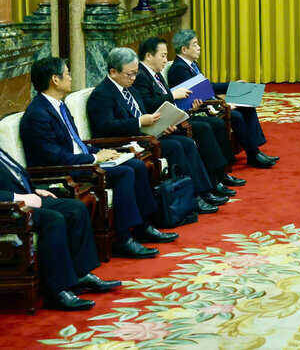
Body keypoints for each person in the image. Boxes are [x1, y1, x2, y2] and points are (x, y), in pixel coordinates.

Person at [20, 57, 178, 259]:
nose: (71, 77)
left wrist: (100, 153)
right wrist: (93, 159)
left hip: (81, 160)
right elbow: (53, 157)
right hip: (63, 171)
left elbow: (75, 141)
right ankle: (123, 239)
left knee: (135, 165)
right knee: (124, 172)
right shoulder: (38, 114)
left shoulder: (59, 105)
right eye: (67, 73)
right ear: (55, 80)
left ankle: (143, 226)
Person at [86, 47, 226, 215]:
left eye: (135, 73)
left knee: (186, 143)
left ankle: (203, 192)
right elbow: (106, 127)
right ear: (113, 71)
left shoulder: (130, 88)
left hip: (146, 135)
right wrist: (139, 122)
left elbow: (144, 112)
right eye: (129, 74)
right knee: (176, 146)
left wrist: (161, 124)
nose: (133, 78)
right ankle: (191, 198)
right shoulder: (102, 94)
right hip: (126, 141)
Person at [0, 146, 120, 310]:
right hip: (8, 211)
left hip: (23, 203)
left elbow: (14, 177)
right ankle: (56, 291)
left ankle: (81, 275)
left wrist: (34, 190)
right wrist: (20, 197)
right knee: (53, 219)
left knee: (75, 208)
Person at [134, 37, 245, 195]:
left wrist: (190, 106)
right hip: (160, 125)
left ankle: (221, 174)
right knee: (204, 128)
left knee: (216, 124)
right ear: (149, 56)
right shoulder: (141, 76)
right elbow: (148, 104)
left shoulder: (155, 74)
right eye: (163, 56)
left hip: (174, 117)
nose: (166, 60)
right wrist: (173, 95)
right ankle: (213, 182)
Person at [167, 30, 278, 169]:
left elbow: (206, 87)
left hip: (210, 101)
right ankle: (253, 154)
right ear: (184, 49)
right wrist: (228, 92)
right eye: (195, 44)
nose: (199, 47)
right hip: (199, 108)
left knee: (247, 104)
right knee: (236, 115)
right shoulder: (179, 69)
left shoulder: (191, 65)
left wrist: (231, 89)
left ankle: (255, 151)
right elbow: (200, 92)